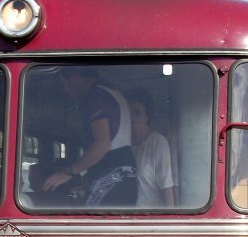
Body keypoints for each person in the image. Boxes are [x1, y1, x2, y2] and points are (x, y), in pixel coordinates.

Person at [42, 68, 137, 206]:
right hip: (128, 178)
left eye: (65, 84)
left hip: (110, 177)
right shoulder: (115, 94)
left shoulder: (95, 97)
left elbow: (102, 144)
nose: (66, 91)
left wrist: (68, 173)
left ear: (75, 78)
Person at [127, 88, 175, 208]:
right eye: (128, 112)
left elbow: (167, 188)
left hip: (150, 216)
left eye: (137, 113)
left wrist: (169, 218)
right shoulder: (123, 143)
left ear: (147, 116)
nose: (132, 117)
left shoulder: (158, 143)